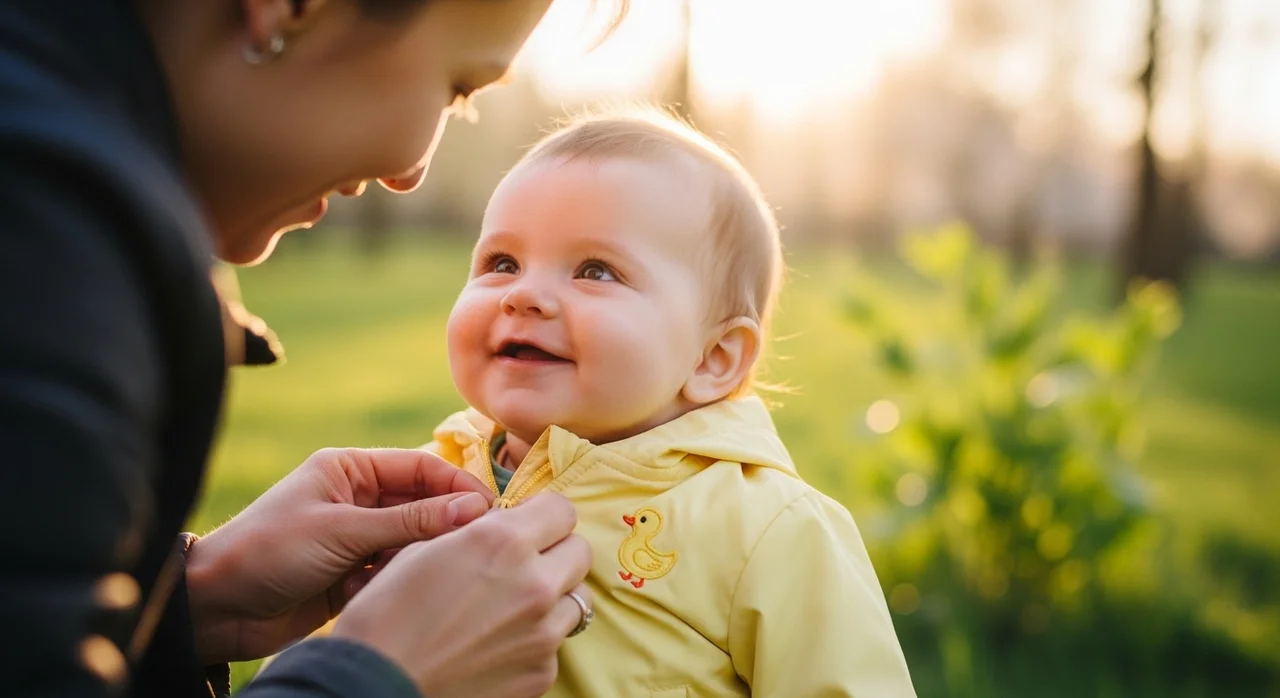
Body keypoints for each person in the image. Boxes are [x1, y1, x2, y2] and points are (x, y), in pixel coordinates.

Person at [0, 1, 623, 697]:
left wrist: (186, 604)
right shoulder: (43, 245)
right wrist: (377, 676)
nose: (411, 171)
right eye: (456, 87)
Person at [395, 109, 918, 695]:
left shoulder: (765, 530)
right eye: (502, 263)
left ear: (712, 358)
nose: (524, 294)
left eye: (595, 270)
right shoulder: (422, 490)